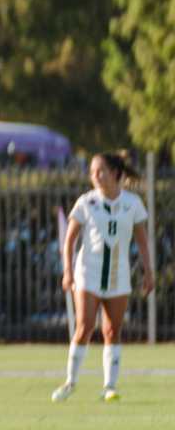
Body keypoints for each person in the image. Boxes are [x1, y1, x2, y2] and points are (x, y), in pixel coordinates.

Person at [56, 153, 154, 403]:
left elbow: (142, 241)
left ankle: (109, 385)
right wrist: (67, 271)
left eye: (101, 171)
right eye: (92, 172)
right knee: (85, 326)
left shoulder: (132, 203)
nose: (95, 176)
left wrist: (148, 271)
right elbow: (69, 241)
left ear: (116, 173)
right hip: (88, 273)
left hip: (118, 274)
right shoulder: (86, 203)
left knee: (112, 330)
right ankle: (70, 382)